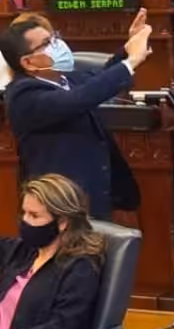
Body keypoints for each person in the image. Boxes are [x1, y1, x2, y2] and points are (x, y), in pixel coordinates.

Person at [0, 11, 150, 219]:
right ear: (28, 62)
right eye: (46, 43)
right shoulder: (23, 95)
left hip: (95, 197)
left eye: (54, 38)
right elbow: (79, 100)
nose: (57, 45)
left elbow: (99, 78)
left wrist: (128, 48)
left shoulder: (64, 79)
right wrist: (131, 62)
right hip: (62, 206)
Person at [0, 174, 106, 329]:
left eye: (34, 215)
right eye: (24, 213)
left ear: (63, 222)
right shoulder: (25, 250)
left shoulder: (80, 268)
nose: (25, 221)